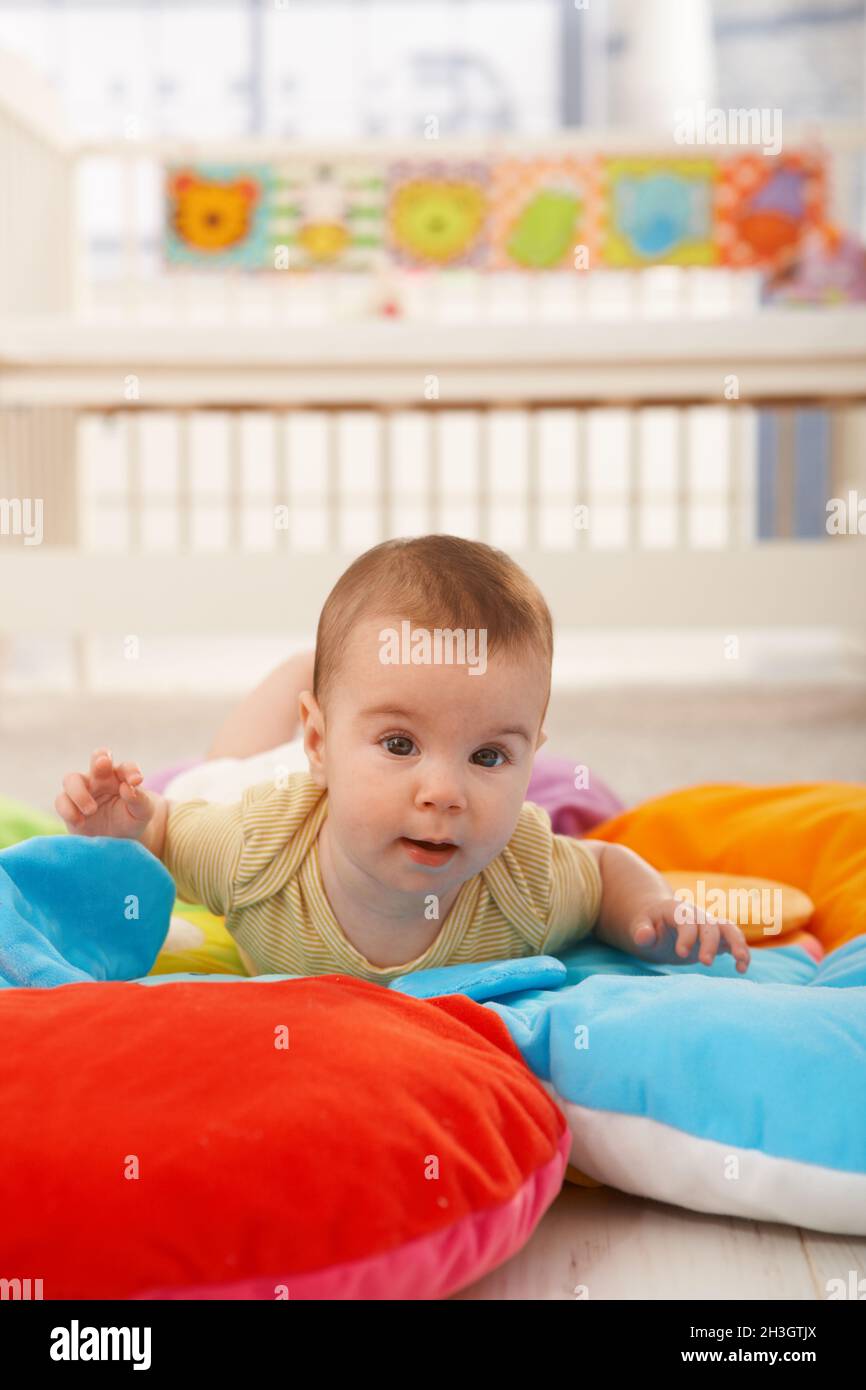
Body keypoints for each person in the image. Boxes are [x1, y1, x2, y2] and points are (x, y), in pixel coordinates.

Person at [55, 534, 749, 982]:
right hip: (254, 788)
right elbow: (169, 830)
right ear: (320, 746)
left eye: (487, 755)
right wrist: (127, 820)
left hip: (333, 764)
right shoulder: (250, 852)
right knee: (224, 761)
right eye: (400, 744)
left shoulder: (525, 883)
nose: (443, 792)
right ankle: (307, 679)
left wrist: (653, 912)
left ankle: (351, 702)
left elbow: (601, 870)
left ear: (532, 759)